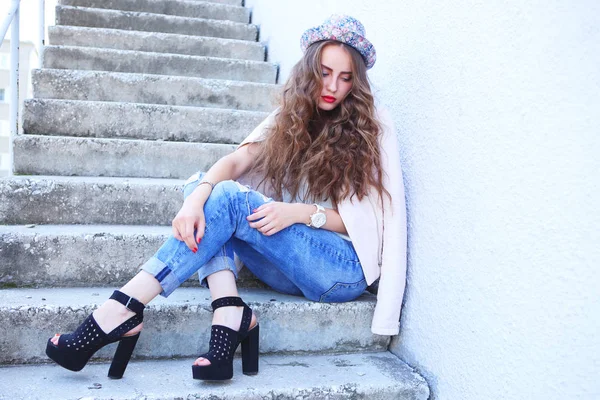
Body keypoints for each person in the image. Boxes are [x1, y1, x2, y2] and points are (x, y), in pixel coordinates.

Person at [46, 14, 408, 381]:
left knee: (226, 198)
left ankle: (121, 309)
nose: (332, 86)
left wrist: (300, 213)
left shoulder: (371, 125)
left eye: (345, 78)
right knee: (203, 186)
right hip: (290, 266)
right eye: (325, 73)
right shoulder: (294, 116)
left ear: (356, 83)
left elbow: (370, 224)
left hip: (341, 270)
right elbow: (237, 160)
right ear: (310, 70)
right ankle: (229, 308)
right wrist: (194, 200)